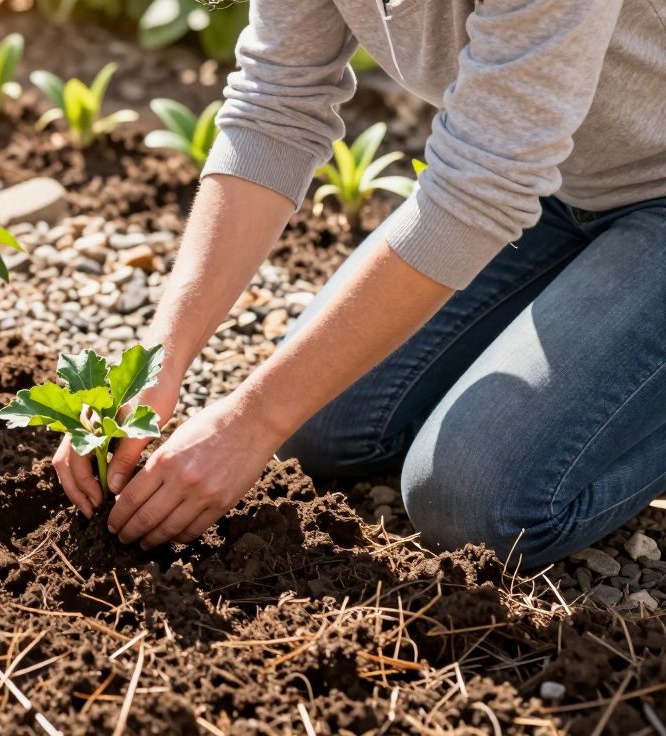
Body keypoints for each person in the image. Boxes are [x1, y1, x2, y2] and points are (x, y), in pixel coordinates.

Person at [51, 0, 666, 568]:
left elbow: (482, 184)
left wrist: (249, 422)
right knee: (315, 424)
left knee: (474, 502)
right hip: (553, 184)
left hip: (616, 186)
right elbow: (277, 105)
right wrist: (157, 360)